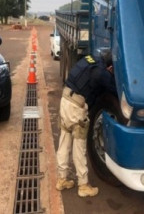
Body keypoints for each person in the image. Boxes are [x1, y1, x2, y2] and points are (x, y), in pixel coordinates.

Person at [56, 51, 116, 197]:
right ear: (110, 67)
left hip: (65, 100)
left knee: (64, 141)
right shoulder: (102, 73)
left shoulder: (91, 58)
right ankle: (83, 186)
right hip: (76, 108)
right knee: (79, 147)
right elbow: (114, 90)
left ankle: (62, 179)